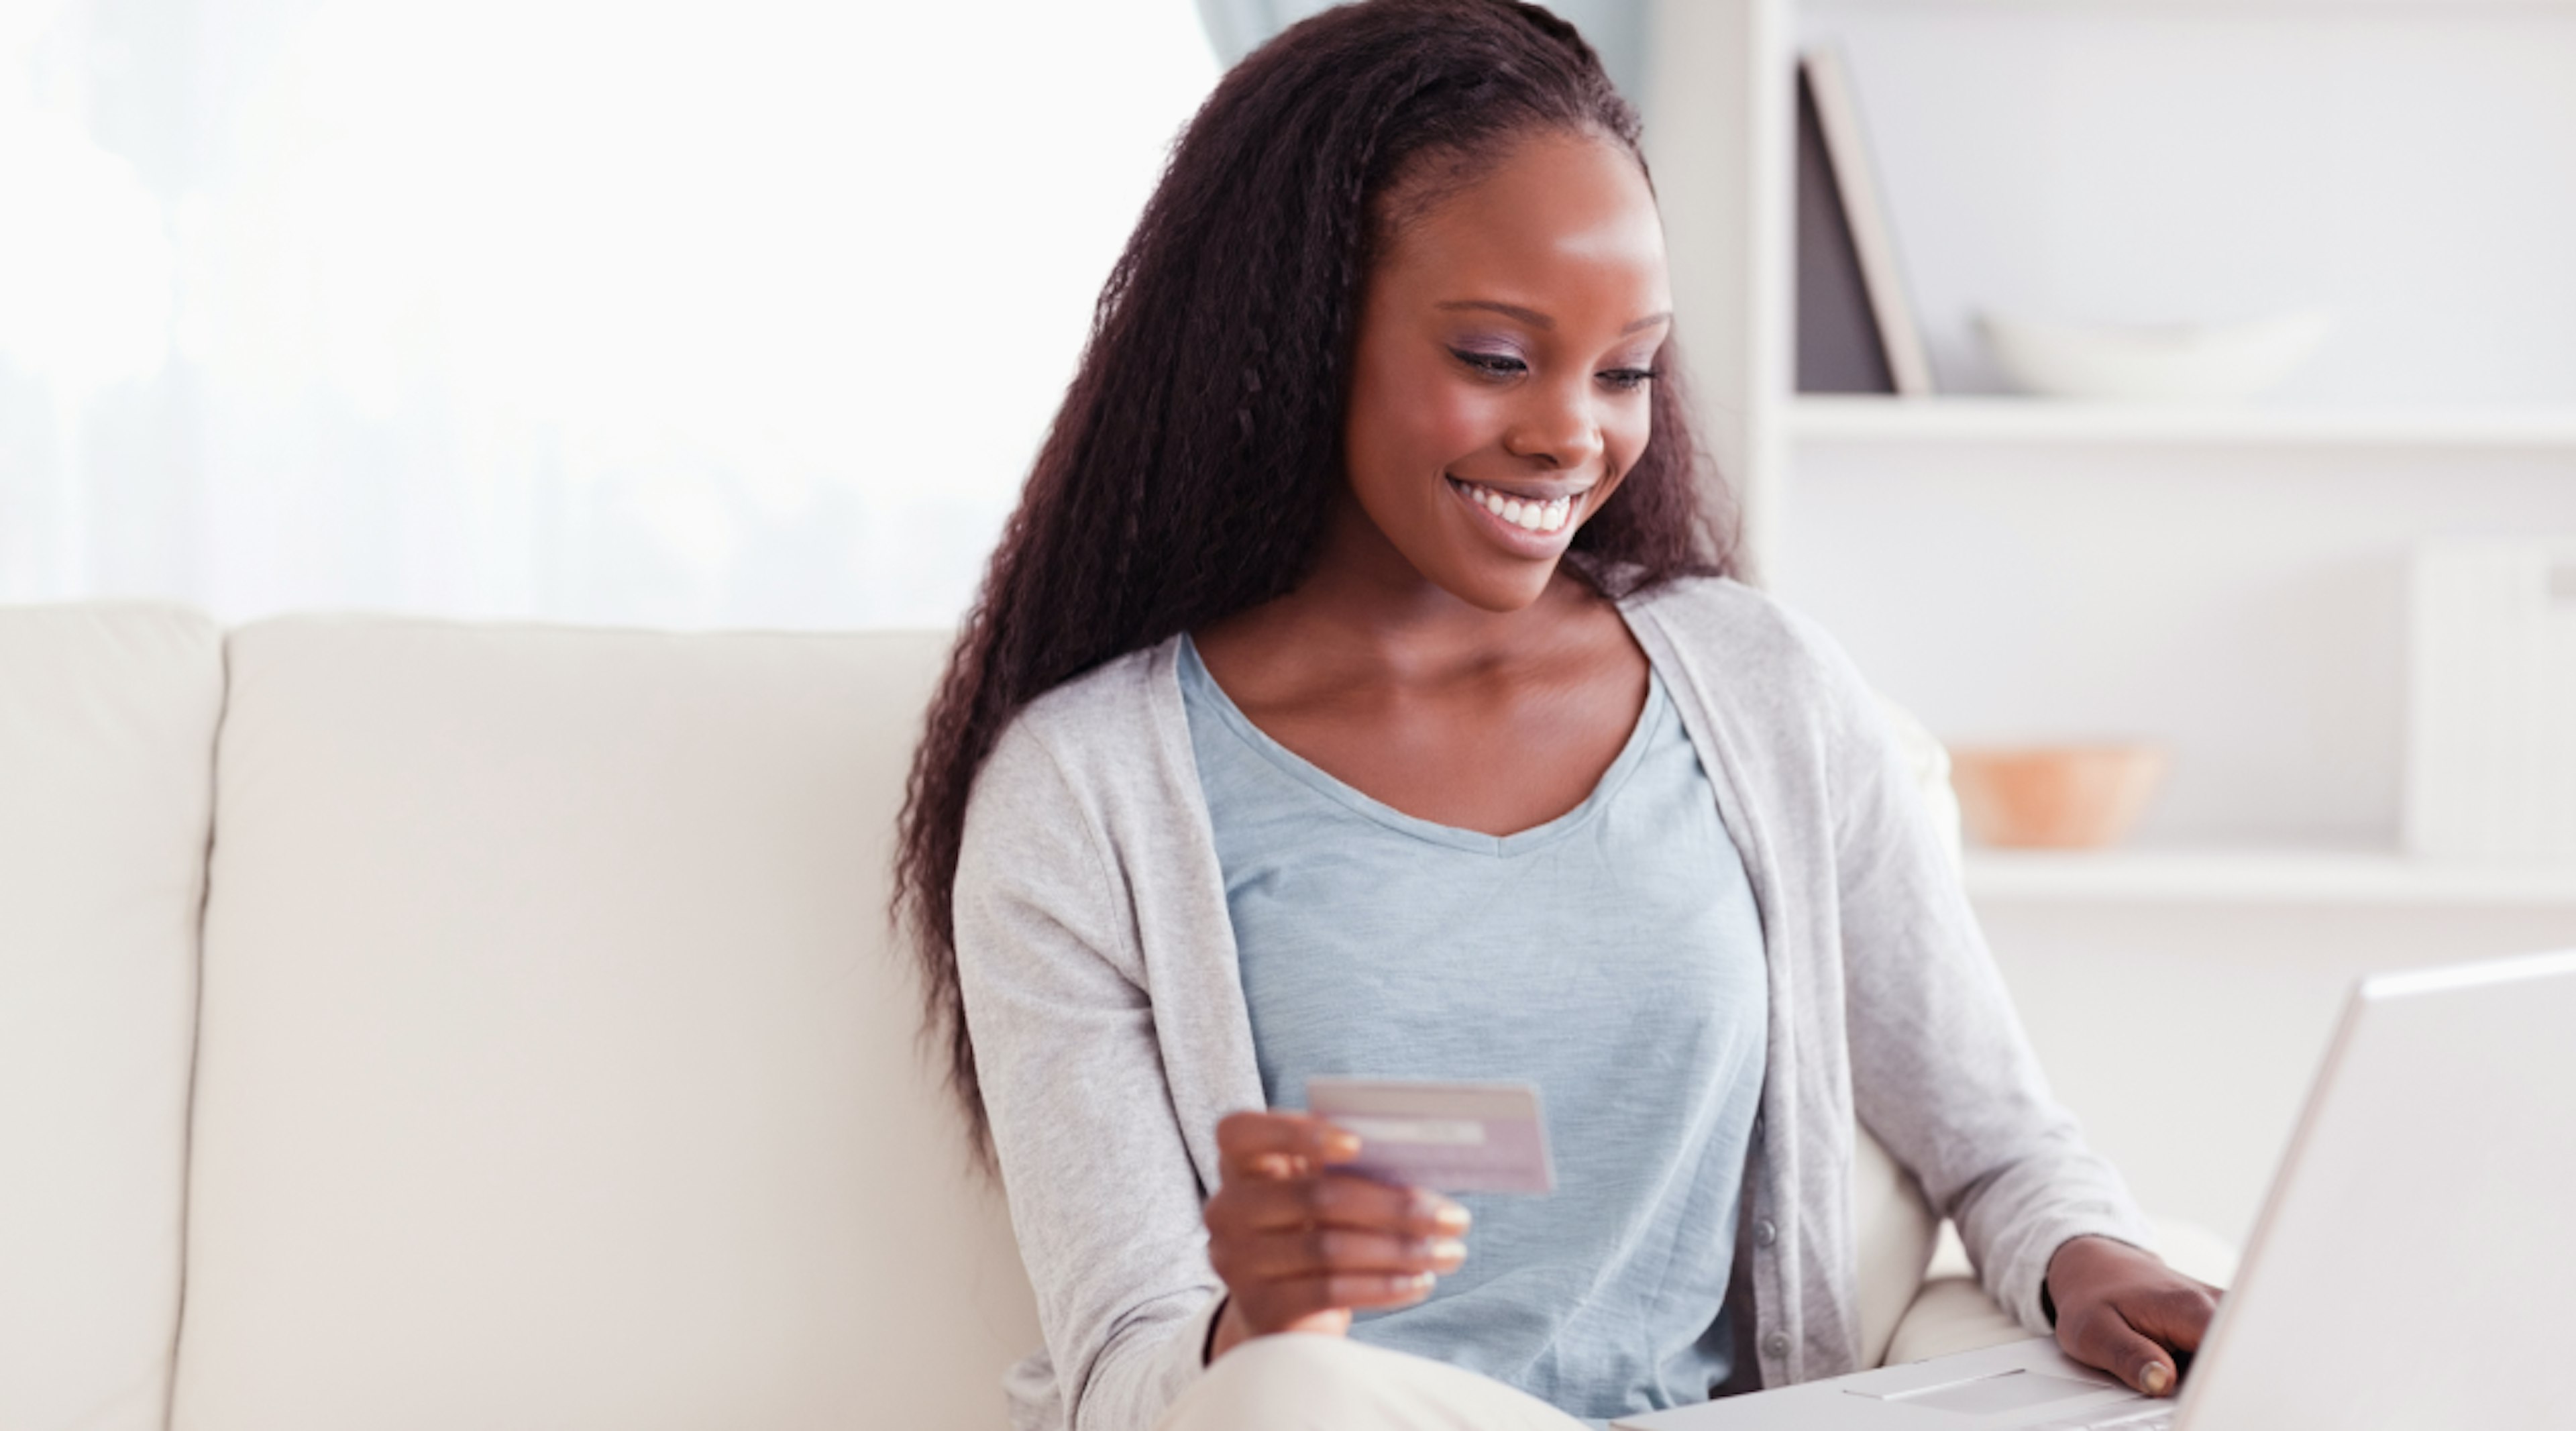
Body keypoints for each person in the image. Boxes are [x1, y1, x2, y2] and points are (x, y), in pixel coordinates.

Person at [894, 3, 2220, 1428]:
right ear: (1302, 329)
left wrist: (2088, 1259)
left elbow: (2002, 1146)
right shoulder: (1082, 794)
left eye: (1626, 366)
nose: (1574, 433)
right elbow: (1128, 1367)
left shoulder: (1762, 686)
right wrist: (1256, 1324)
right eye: (1496, 356)